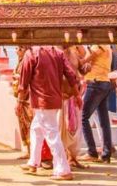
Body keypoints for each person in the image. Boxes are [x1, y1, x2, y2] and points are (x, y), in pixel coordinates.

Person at [17, 46, 79, 181]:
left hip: (42, 101)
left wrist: (19, 100)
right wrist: (77, 95)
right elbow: (70, 75)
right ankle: (33, 162)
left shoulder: (32, 53)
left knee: (52, 135)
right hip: (54, 100)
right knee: (36, 129)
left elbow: (23, 81)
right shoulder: (58, 52)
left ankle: (63, 170)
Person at [79, 45, 113, 163]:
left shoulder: (99, 44)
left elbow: (84, 60)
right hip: (104, 82)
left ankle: (91, 152)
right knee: (104, 121)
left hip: (96, 82)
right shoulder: (107, 45)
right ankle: (106, 154)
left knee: (83, 117)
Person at [61, 45, 85, 169]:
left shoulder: (74, 54)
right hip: (61, 98)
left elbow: (82, 69)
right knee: (62, 130)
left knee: (76, 130)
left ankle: (73, 158)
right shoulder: (56, 53)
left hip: (75, 97)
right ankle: (63, 159)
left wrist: (86, 68)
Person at [12, 46, 33, 159]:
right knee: (23, 125)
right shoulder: (19, 62)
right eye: (16, 48)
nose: (17, 51)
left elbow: (26, 79)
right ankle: (28, 151)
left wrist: (18, 77)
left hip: (27, 98)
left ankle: (32, 152)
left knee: (29, 124)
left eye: (20, 48)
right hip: (21, 97)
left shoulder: (26, 61)